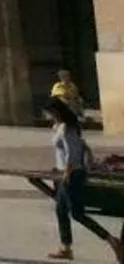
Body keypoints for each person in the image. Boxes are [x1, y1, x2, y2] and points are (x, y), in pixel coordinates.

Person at [46, 95, 117, 260]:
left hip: (71, 173)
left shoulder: (66, 128)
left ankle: (111, 239)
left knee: (77, 214)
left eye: (48, 112)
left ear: (55, 111)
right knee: (61, 210)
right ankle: (66, 248)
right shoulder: (60, 126)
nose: (46, 116)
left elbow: (72, 152)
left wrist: (67, 172)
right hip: (63, 172)